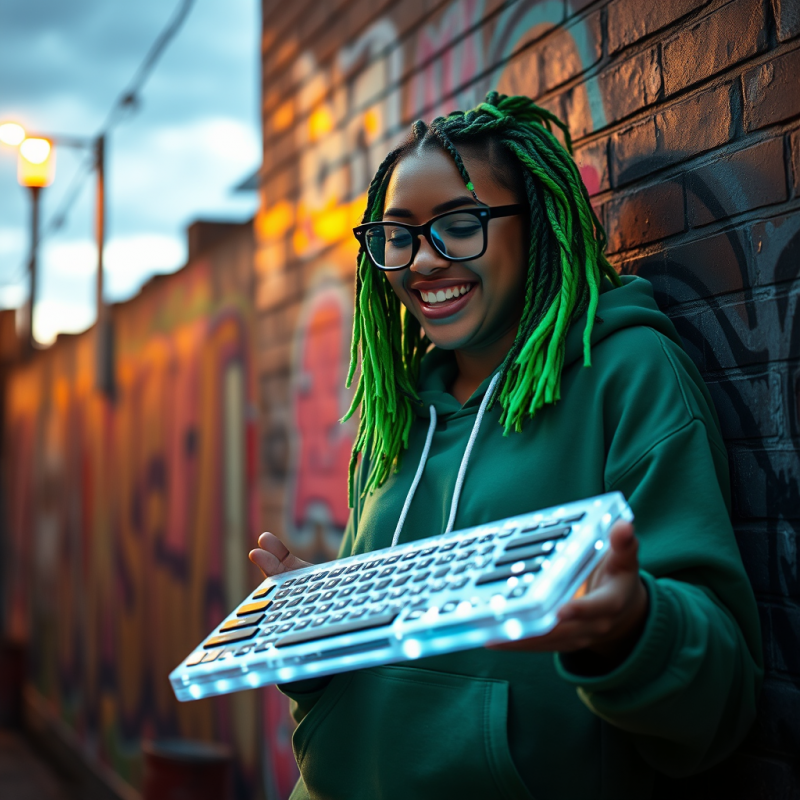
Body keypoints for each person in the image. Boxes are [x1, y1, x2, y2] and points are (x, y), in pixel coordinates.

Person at [250, 92, 762, 800]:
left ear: (540, 226)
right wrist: (319, 645)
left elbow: (721, 702)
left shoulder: (629, 374)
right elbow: (376, 689)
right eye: (397, 236)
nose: (422, 263)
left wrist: (630, 631)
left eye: (460, 226)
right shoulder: (394, 417)